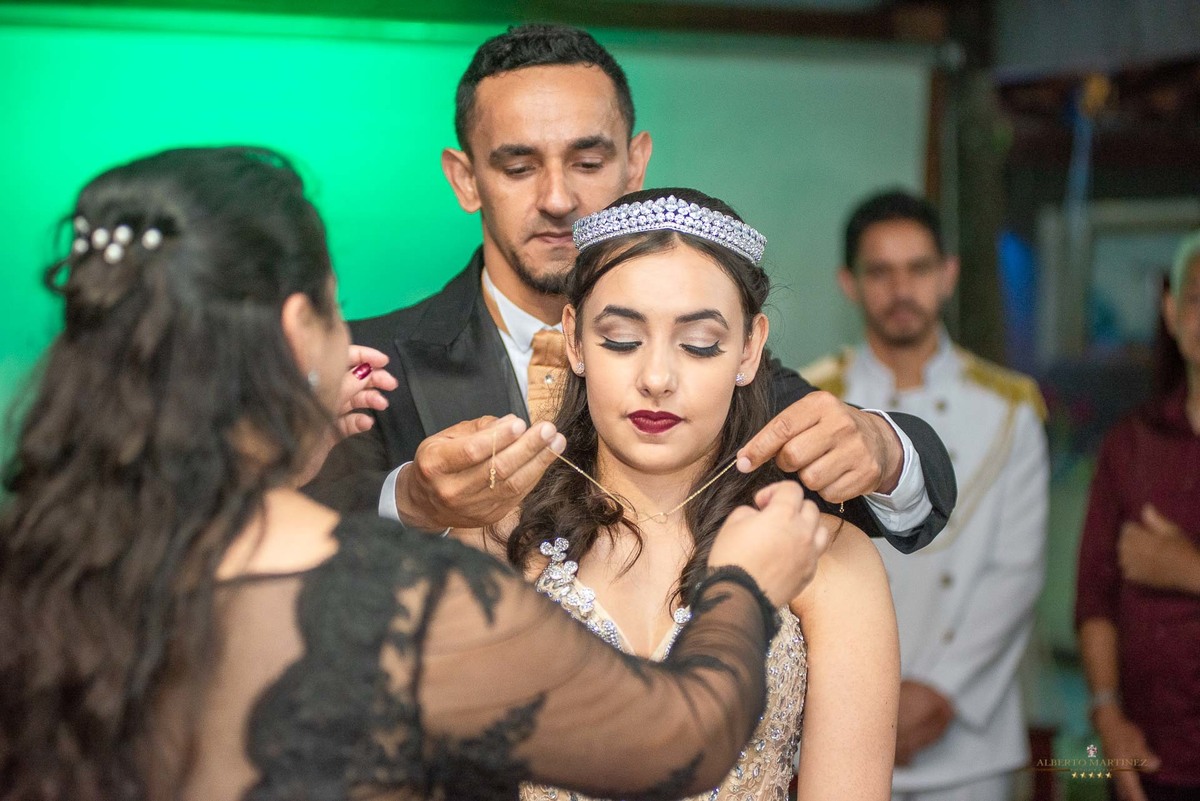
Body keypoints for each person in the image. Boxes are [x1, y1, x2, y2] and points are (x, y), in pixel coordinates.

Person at [0, 147, 838, 801]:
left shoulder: (43, 568)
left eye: (698, 341)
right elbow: (674, 743)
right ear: (298, 332)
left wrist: (288, 439)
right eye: (336, 308)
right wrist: (745, 586)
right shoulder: (392, 596)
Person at [306, 23, 956, 555]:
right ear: (466, 178)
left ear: (635, 164)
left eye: (588, 162)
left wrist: (883, 448)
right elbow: (274, 542)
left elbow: (906, 493)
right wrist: (413, 501)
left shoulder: (707, 360)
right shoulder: (367, 361)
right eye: (519, 165)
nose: (558, 198)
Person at [451, 187, 900, 801]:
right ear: (575, 341)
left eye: (698, 344)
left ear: (748, 350)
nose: (657, 378)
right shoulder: (495, 534)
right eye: (621, 339)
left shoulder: (824, 553)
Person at [804, 190, 1048, 801]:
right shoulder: (812, 402)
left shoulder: (1009, 407)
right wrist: (868, 697)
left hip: (967, 732)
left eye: (917, 268)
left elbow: (1016, 570)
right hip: (837, 718)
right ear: (848, 283)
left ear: (947, 275)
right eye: (879, 272)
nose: (900, 288)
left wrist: (942, 691)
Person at [1075, 230, 1200, 801]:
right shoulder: (1131, 444)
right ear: (1173, 313)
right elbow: (1094, 597)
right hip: (1151, 760)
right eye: (1198, 299)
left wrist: (1187, 568)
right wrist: (1107, 714)